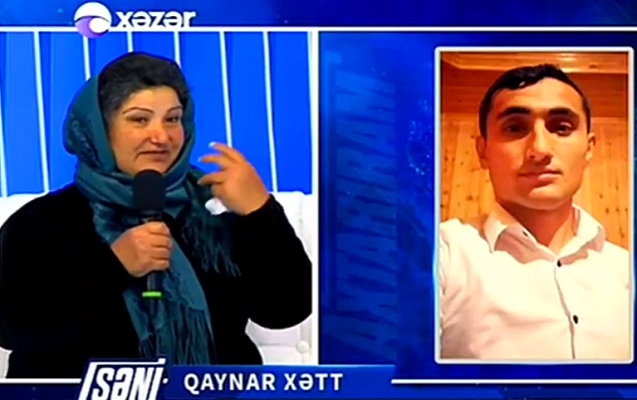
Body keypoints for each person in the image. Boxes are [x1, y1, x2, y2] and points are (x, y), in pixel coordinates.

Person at [0, 52, 312, 378]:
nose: (161, 137)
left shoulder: (216, 209)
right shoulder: (40, 223)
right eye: (139, 119)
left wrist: (260, 212)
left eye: (172, 119)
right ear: (99, 129)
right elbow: (11, 328)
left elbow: (285, 311)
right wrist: (111, 266)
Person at [439, 63, 631, 361]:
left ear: (589, 148)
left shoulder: (626, 270)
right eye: (515, 128)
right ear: (482, 151)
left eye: (562, 128)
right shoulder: (439, 254)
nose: (540, 150)